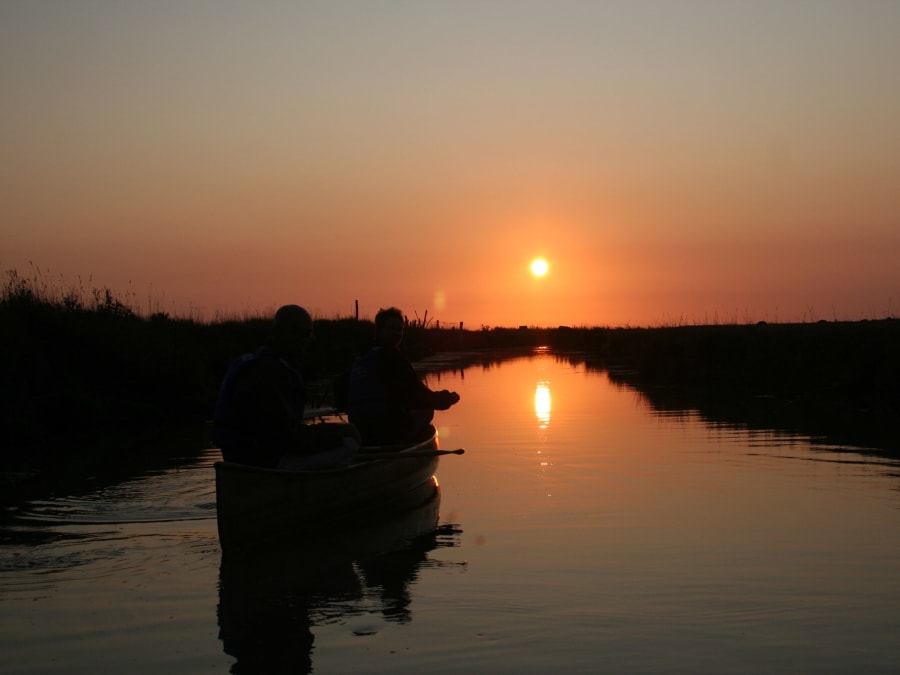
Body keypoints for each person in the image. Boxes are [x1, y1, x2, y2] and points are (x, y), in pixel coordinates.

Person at [213, 304, 361, 469]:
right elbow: (286, 438)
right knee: (349, 442)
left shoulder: (248, 362)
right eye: (302, 334)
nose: (306, 342)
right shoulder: (273, 373)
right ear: (281, 333)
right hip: (262, 463)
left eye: (308, 335)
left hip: (235, 460)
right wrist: (339, 431)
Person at [348, 307, 460, 445]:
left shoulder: (361, 356)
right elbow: (418, 394)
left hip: (357, 428)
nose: (396, 334)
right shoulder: (392, 357)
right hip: (381, 427)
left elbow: (342, 396)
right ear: (379, 331)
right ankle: (398, 445)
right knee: (425, 410)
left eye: (399, 329)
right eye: (390, 329)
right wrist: (447, 399)